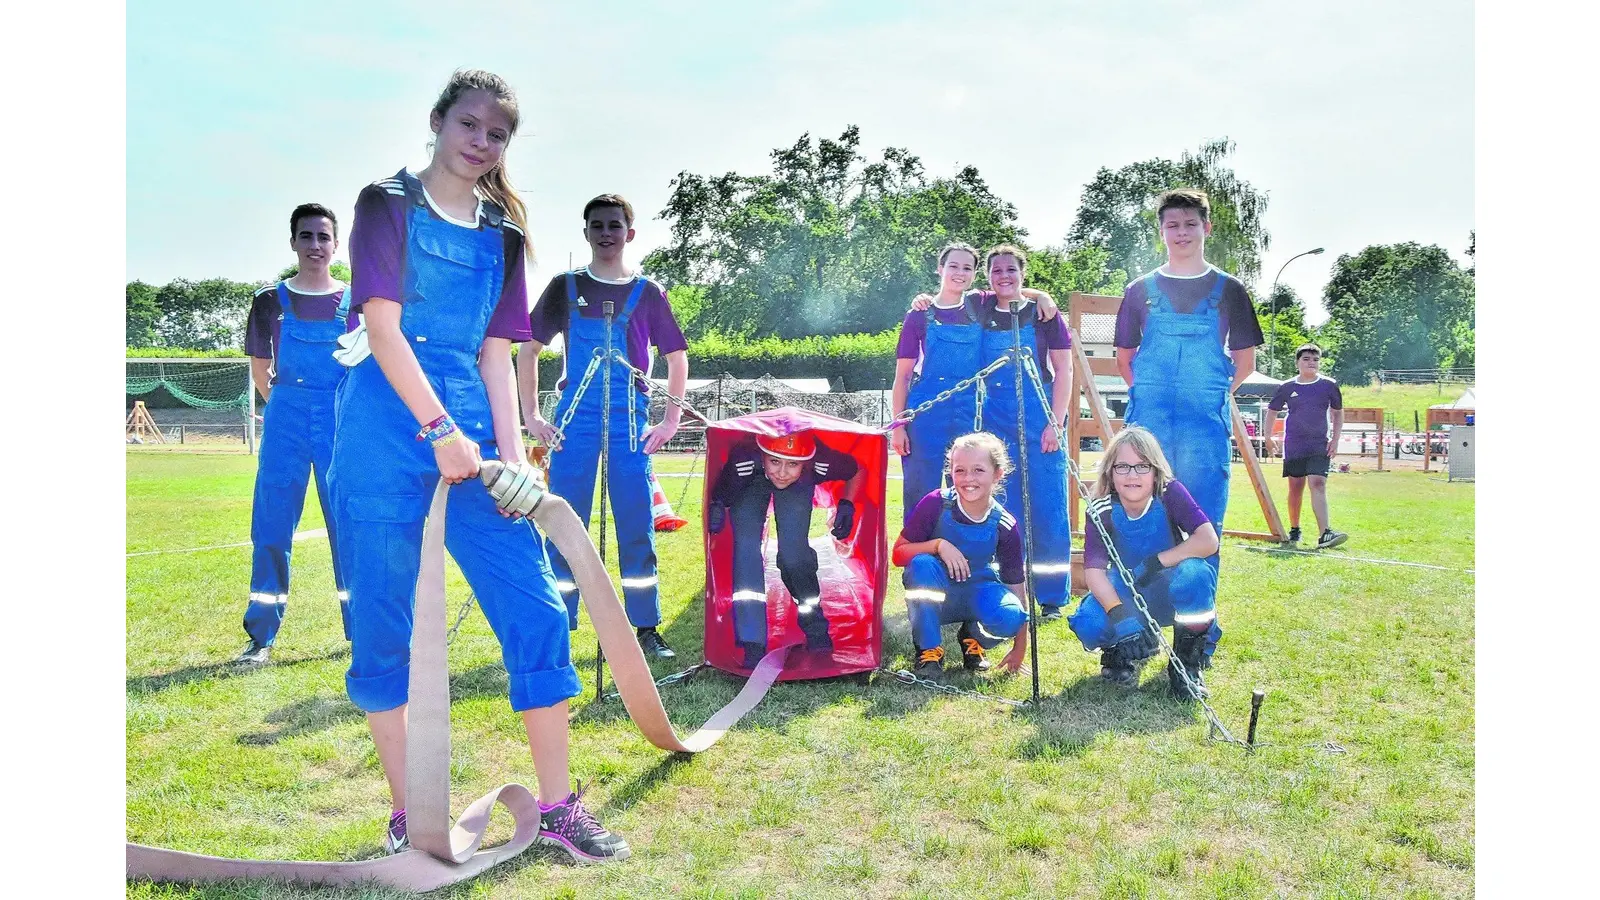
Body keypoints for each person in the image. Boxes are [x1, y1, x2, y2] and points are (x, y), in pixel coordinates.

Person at [330, 69, 628, 862]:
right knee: (385, 626)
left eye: (497, 134)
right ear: (437, 121)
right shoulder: (383, 205)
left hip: (469, 430)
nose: (481, 142)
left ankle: (560, 806)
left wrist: (508, 460)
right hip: (385, 429)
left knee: (533, 607)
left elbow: (499, 356)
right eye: (469, 124)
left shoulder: (502, 237)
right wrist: (439, 431)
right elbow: (384, 329)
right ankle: (408, 813)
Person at [520, 194, 688, 660]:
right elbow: (528, 350)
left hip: (630, 422)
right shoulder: (565, 287)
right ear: (587, 232)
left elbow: (677, 356)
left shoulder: (648, 292)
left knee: (636, 522)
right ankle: (559, 621)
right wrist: (532, 415)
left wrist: (670, 419)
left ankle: (646, 626)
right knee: (564, 519)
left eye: (615, 225)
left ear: (629, 233)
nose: (606, 232)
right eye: (597, 225)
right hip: (575, 421)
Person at [1115, 189, 1264, 574]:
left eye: (1190, 224)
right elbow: (1125, 358)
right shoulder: (1139, 291)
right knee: (1142, 513)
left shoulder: (1229, 289)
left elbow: (1244, 362)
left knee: (1203, 519)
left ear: (1206, 228)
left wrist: (1210, 393)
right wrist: (1151, 395)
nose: (1182, 233)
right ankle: (1138, 610)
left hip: (1203, 430)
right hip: (1149, 426)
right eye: (1173, 225)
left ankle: (1197, 624)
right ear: (1161, 233)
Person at [235, 203, 354, 667]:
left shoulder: (355, 301)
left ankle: (360, 629)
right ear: (293, 242)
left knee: (346, 524)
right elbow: (261, 372)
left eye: (324, 237)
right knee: (271, 525)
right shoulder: (269, 301)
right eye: (307, 237)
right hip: (285, 418)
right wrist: (288, 406)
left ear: (335, 244)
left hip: (340, 419)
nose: (315, 246)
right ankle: (261, 636)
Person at [895, 246, 1057, 525]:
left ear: (973, 274)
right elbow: (903, 377)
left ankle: (964, 558)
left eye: (967, 268)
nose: (960, 273)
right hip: (925, 413)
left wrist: (1043, 295)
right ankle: (918, 562)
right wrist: (898, 426)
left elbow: (1011, 290)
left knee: (967, 490)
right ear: (940, 269)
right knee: (919, 490)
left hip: (969, 412)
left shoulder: (980, 305)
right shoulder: (918, 315)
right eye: (953, 266)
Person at [1067, 426, 1220, 700]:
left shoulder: (1170, 493)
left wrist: (1157, 562)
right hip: (1129, 591)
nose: (1132, 475)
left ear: (1156, 470)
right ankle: (1120, 651)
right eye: (1122, 467)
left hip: (1170, 587)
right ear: (1110, 473)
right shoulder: (1100, 508)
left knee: (1195, 574)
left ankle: (1187, 665)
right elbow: (1093, 572)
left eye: (1142, 466)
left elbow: (1208, 540)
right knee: (1089, 623)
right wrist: (1120, 616)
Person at [975, 245, 1075, 620]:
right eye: (996, 271)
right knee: (1004, 509)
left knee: (1048, 508)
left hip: (1041, 420)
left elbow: (1064, 371)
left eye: (1011, 270)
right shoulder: (980, 309)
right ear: (988, 277)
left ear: (1023, 273)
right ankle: (1007, 586)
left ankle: (1050, 596)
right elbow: (949, 295)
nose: (1004, 276)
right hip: (996, 424)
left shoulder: (1045, 315)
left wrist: (1056, 422)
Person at [706, 430, 864, 667]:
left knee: (794, 554)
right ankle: (752, 642)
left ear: (807, 461)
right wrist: (717, 505)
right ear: (762, 455)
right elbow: (722, 490)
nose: (781, 472)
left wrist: (847, 503)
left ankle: (815, 626)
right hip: (750, 484)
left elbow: (857, 469)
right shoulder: (744, 460)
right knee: (746, 549)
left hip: (799, 484)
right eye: (775, 461)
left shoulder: (820, 461)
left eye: (792, 463)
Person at [894, 432, 1029, 681]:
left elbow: (1016, 586)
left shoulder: (1005, 524)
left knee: (1011, 615)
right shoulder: (935, 503)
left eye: (978, 470)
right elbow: (899, 553)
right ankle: (929, 650)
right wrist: (938, 545)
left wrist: (1020, 647)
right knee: (921, 564)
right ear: (951, 472)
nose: (968, 479)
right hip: (937, 594)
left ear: (997, 474)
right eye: (960, 470)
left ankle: (973, 635)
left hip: (977, 592)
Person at [1266, 343, 1348, 549]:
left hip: (1319, 444)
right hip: (1294, 445)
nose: (1311, 363)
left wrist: (1335, 439)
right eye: (1306, 359)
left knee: (1318, 483)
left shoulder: (1329, 385)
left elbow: (1338, 413)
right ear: (1297, 363)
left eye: (1315, 359)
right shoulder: (1287, 387)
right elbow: (1272, 410)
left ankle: (1325, 534)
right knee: (1296, 488)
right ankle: (1295, 528)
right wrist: (1268, 436)